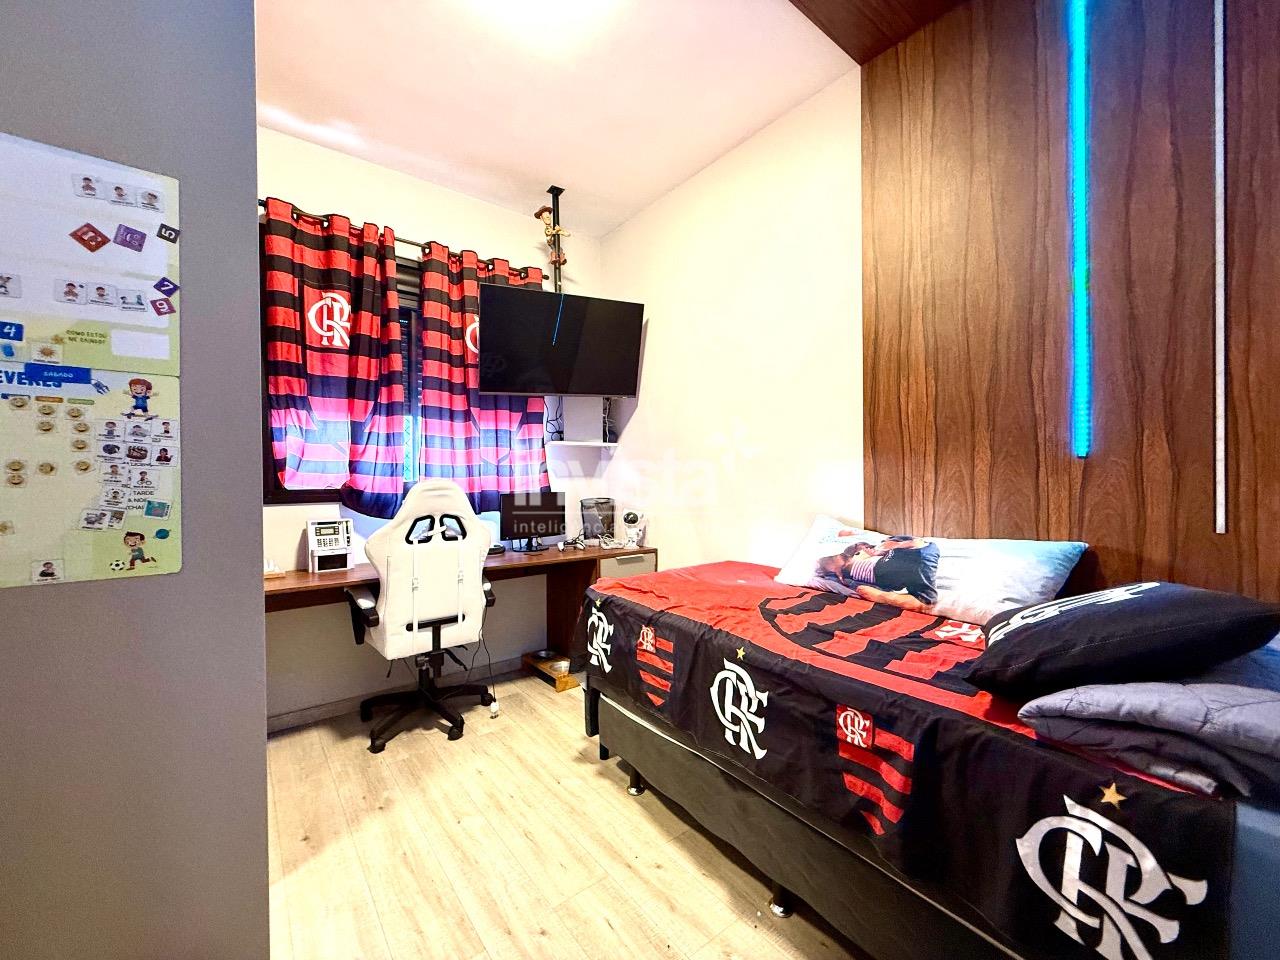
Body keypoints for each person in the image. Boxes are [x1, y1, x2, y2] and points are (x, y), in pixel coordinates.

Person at [814, 536, 940, 612]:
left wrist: (882, 596)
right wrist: (880, 552)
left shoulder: (922, 563)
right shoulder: (903, 548)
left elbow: (926, 603)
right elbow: (896, 546)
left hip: (881, 577)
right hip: (877, 570)